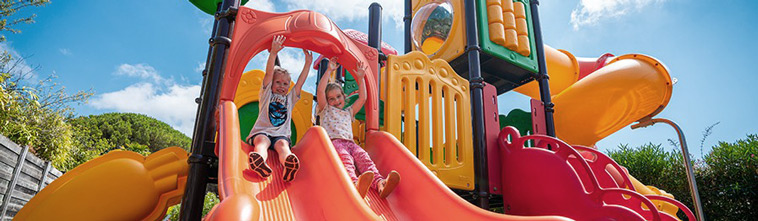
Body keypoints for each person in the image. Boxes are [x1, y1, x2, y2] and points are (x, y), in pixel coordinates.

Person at [316, 57, 400, 198]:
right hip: (336, 143)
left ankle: (380, 183)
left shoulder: (348, 112)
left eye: (338, 97)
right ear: (327, 101)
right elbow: (320, 91)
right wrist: (329, 70)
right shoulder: (325, 110)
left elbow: (362, 98)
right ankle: (354, 184)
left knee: (364, 158)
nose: (336, 101)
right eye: (331, 99)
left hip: (351, 144)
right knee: (346, 161)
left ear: (344, 96)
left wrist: (360, 78)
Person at [246, 35, 311, 182]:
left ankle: (288, 164)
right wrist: (273, 53)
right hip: (262, 131)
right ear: (272, 83)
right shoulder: (266, 94)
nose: (282, 86)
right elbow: (269, 73)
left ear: (289, 86)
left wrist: (307, 64)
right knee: (262, 141)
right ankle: (259, 161)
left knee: (283, 146)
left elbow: (299, 83)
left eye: (285, 84)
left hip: (281, 135)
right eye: (278, 82)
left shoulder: (290, 99)